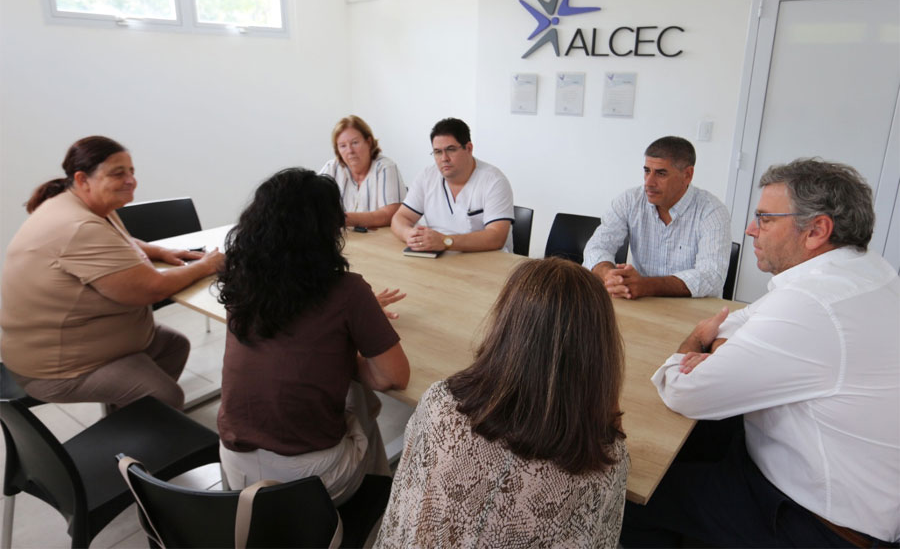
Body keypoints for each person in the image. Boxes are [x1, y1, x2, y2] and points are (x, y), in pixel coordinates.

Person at [622, 159, 900, 547]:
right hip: (841, 490)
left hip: (816, 525)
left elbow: (683, 390)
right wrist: (726, 349)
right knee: (694, 443)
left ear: (817, 230)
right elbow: (736, 321)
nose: (751, 230)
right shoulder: (864, 271)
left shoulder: (813, 303)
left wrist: (696, 341)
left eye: (766, 219)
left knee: (630, 491)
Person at [376, 258, 629, 548]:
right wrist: (602, 391)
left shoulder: (440, 404)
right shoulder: (605, 460)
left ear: (506, 326)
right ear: (599, 352)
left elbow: (404, 508)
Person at [215, 168, 410, 505]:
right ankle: (379, 500)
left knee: (347, 392)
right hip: (308, 484)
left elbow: (291, 330)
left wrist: (345, 329)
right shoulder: (347, 291)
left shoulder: (241, 278)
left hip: (235, 466)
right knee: (360, 398)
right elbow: (393, 376)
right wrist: (350, 334)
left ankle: (373, 494)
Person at [0, 136, 224, 409]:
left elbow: (120, 240)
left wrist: (158, 251)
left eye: (131, 171)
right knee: (166, 395)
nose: (131, 180)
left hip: (89, 343)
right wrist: (206, 265)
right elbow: (151, 289)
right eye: (118, 173)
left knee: (173, 345)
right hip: (58, 367)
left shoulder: (85, 205)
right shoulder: (78, 227)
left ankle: (138, 418)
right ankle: (145, 424)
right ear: (82, 179)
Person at [583, 136, 731, 298]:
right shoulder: (630, 200)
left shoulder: (712, 211)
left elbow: (711, 276)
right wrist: (610, 276)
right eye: (647, 171)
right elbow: (597, 247)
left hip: (693, 308)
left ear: (687, 175)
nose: (649, 182)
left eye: (661, 173)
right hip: (642, 303)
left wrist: (646, 285)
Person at [391, 117, 515, 252]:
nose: (444, 158)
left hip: (487, 259)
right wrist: (409, 235)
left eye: (451, 149)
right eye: (438, 152)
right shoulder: (427, 176)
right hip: (439, 256)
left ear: (469, 148)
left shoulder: (494, 181)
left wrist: (445, 241)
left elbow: (496, 237)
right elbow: (400, 218)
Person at [319, 115, 406, 229]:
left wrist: (341, 219)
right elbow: (310, 201)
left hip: (381, 238)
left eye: (355, 143)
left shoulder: (385, 168)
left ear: (368, 142)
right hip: (348, 237)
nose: (350, 151)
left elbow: (390, 214)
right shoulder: (332, 168)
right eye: (343, 146)